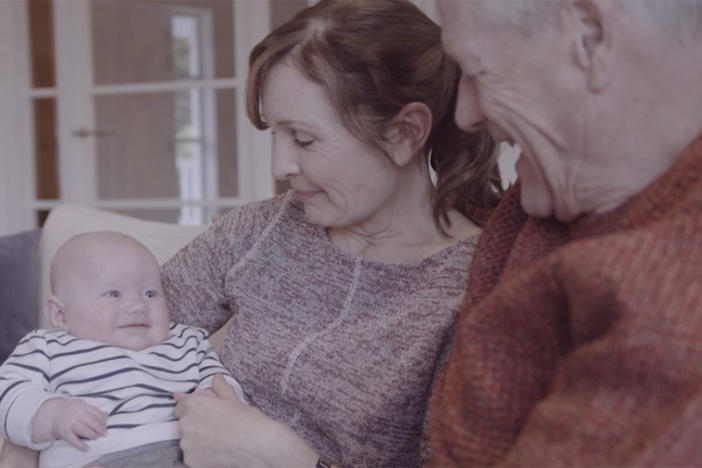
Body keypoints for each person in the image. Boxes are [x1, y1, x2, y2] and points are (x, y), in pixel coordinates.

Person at [164, 0, 503, 467]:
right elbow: (107, 331)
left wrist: (282, 459)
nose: (280, 166)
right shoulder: (258, 231)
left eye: (303, 139)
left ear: (404, 133)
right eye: (275, 135)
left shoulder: (473, 291)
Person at [429, 0, 702, 466]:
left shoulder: (677, 305)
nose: (465, 114)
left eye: (477, 70)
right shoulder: (540, 203)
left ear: (591, 40)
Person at [0, 231, 245, 468]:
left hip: (185, 454)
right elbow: (7, 391)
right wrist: (51, 414)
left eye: (150, 293)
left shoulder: (187, 340)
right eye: (113, 294)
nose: (137, 305)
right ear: (60, 315)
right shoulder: (47, 347)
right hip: (94, 457)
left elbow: (222, 382)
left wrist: (211, 399)